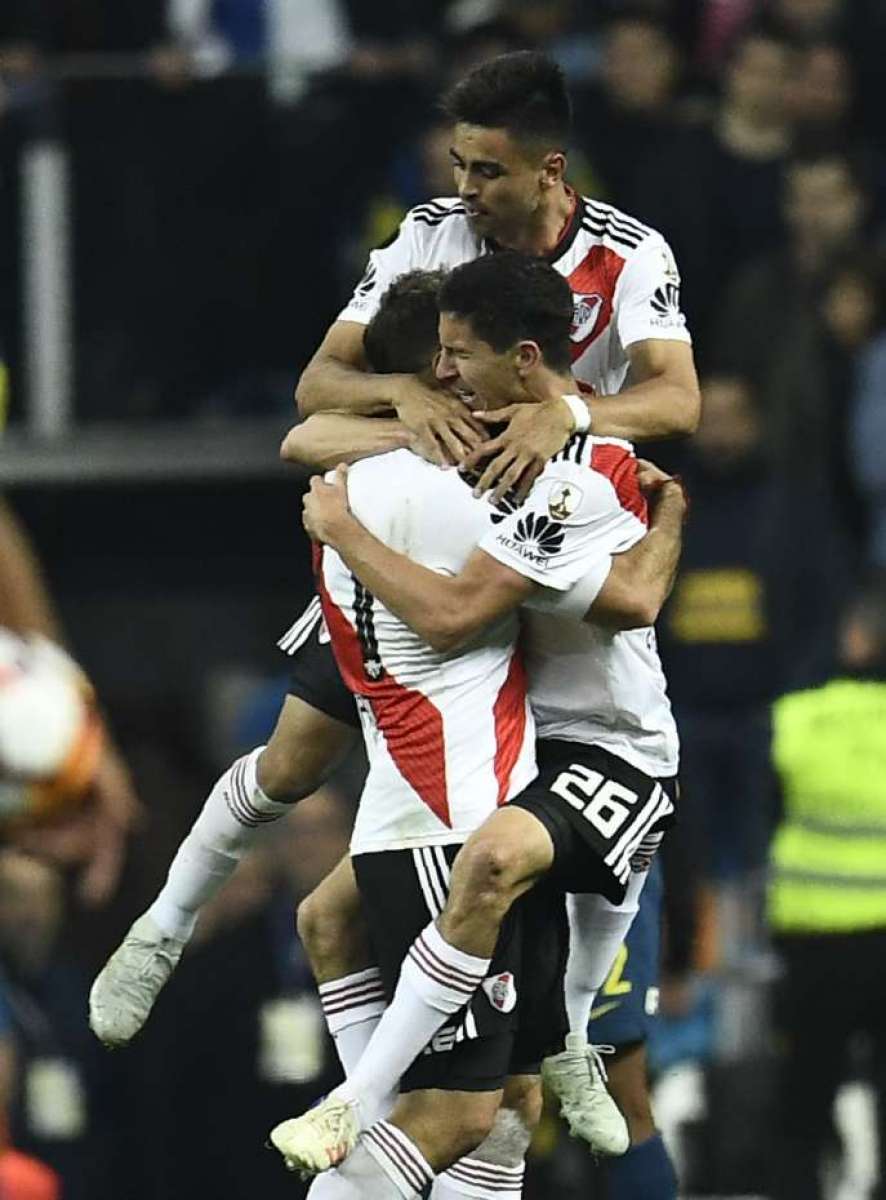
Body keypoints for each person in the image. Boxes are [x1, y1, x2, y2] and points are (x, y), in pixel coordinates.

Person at [92, 47, 698, 1193]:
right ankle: (165, 930)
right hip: (442, 531)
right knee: (293, 758)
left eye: (484, 171)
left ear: (548, 171)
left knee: (428, 940)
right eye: (457, 167)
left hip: (534, 543)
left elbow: (677, 404)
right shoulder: (430, 235)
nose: (462, 191)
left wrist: (562, 413)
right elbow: (317, 396)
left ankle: (551, 1048)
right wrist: (411, 395)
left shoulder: (630, 256)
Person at [270, 252, 685, 1197]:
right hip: (525, 754)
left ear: (526, 358)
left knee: (489, 868)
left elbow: (479, 613)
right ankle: (510, 1057)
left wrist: (345, 534)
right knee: (343, 927)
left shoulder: (578, 474)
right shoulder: (481, 436)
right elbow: (306, 433)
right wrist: (403, 416)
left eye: (457, 355)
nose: (440, 375)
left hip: (614, 755)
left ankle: (359, 1100)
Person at [767, 585, 886, 1200]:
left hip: (814, 938)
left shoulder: (796, 718)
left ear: (854, 641)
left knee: (805, 1095)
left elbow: (765, 815)